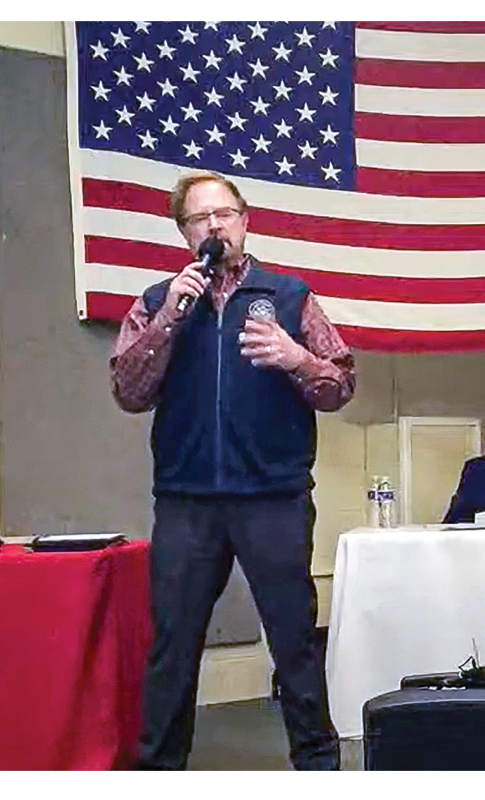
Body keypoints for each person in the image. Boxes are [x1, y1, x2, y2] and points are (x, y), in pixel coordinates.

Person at [110, 171, 354, 770]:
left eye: (225, 213)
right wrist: (169, 315)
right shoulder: (157, 301)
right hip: (187, 502)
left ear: (245, 221)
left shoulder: (292, 298)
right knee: (173, 646)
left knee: (295, 643)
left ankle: (319, 768)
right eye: (200, 218)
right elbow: (128, 390)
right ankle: (159, 772)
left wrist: (297, 358)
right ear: (184, 232)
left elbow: (341, 383)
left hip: (273, 497)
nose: (215, 226)